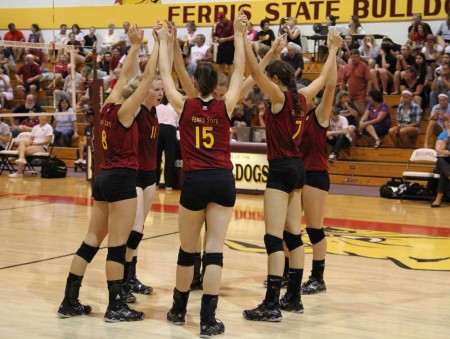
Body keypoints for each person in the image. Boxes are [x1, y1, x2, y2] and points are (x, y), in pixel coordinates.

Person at [56, 24, 157, 323]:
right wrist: (159, 48)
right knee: (118, 245)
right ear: (134, 98)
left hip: (102, 178)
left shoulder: (109, 107)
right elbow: (145, 79)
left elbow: (126, 75)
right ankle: (115, 306)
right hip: (121, 179)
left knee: (90, 241)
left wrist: (136, 46)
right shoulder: (128, 111)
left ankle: (69, 301)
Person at [156, 12, 246, 337]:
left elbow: (166, 72)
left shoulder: (183, 105)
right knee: (216, 250)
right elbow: (239, 72)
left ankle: (178, 310)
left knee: (187, 250)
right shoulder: (226, 105)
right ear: (216, 86)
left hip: (194, 181)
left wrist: (165, 41)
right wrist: (238, 34)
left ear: (195, 84)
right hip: (222, 179)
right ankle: (208, 320)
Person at [242, 31, 342, 321]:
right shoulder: (303, 97)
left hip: (281, 168)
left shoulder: (278, 97)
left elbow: (253, 74)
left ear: (275, 81)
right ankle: (294, 298)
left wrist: (250, 46)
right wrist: (333, 50)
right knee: (293, 235)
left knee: (273, 238)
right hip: (299, 168)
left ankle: (271, 304)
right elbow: (324, 79)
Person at [299, 42, 339, 295]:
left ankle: (318, 277)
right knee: (287, 228)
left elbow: (331, 85)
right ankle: (283, 274)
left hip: (315, 174)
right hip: (294, 175)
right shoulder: (293, 116)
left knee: (314, 228)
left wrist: (333, 52)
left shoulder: (319, 115)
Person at [122, 74, 164, 303]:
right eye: (155, 89)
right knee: (135, 229)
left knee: (140, 230)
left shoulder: (155, 111)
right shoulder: (136, 110)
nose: (160, 93)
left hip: (150, 175)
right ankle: (123, 278)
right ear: (145, 90)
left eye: (161, 89)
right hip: (135, 175)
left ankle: (132, 277)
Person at [156, 95, 178, 191]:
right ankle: (168, 185)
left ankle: (155, 183)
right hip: (170, 130)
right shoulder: (174, 107)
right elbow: (177, 123)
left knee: (156, 157)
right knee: (170, 158)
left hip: (159, 129)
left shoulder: (157, 107)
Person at [431, 120, 450, 207]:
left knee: (443, 173)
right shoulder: (447, 138)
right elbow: (439, 151)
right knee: (441, 158)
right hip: (446, 162)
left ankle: (438, 199)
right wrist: (444, 151)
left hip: (445, 168)